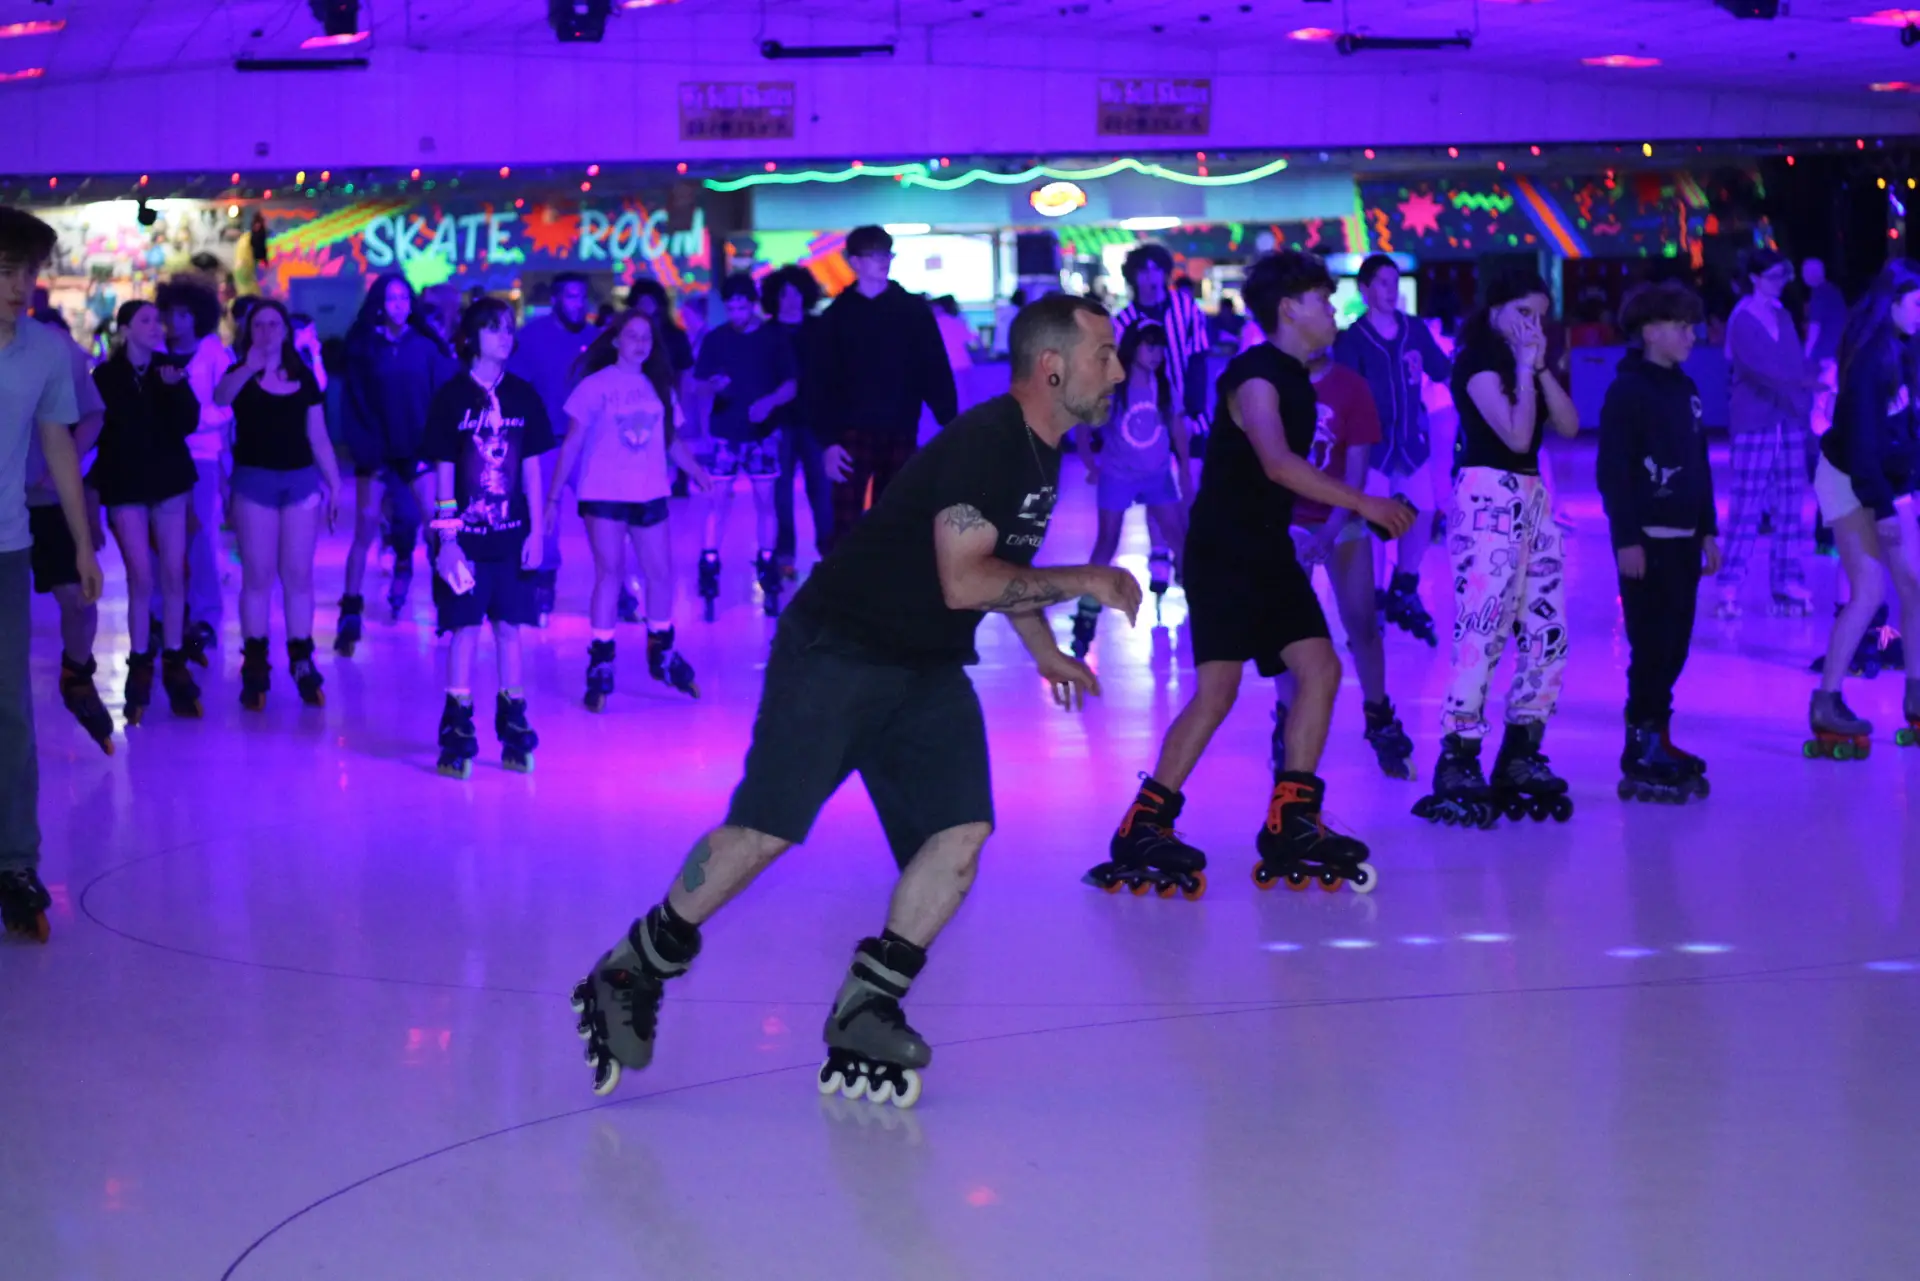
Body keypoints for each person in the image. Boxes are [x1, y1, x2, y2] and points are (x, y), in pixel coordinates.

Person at [569, 293, 1137, 1106]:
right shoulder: (987, 441)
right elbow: (965, 579)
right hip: (838, 650)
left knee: (958, 834)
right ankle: (633, 967)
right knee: (763, 833)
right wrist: (1087, 578)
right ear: (1053, 367)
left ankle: (868, 1004)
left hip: (924, 667)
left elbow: (1000, 564)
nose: (1116, 370)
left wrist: (1046, 651)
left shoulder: (1038, 449)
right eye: (1103, 355)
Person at [1090, 252, 1414, 898]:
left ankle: (1292, 818)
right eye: (1323, 300)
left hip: (1266, 548)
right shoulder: (1256, 375)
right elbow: (1277, 463)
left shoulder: (1296, 376)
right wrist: (1365, 503)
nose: (1333, 311)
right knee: (1218, 691)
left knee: (1320, 668)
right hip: (1227, 551)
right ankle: (1144, 824)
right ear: (1289, 309)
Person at [1417, 272, 1581, 828]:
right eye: (1522, 313)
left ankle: (1521, 750)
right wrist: (1524, 370)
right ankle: (1458, 755)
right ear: (1494, 312)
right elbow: (1514, 435)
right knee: (1483, 629)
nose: (1532, 325)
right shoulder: (1477, 363)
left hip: (1532, 496)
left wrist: (1538, 368)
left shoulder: (1526, 364)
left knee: (1547, 630)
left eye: (1540, 316)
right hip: (1487, 494)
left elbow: (1569, 425)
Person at [0, 206, 104, 941]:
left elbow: (60, 445)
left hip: (7, 549)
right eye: (6, 271)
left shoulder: (44, 349)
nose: (19, 286)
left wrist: (83, 544)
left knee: (11, 712)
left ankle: (15, 862)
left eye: (29, 273)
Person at [420, 299, 555, 777]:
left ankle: (513, 721)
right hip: (466, 541)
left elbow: (533, 471)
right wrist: (447, 540)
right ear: (472, 336)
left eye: (509, 329)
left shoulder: (523, 396)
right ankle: (457, 725)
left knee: (509, 627)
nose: (505, 337)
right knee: (463, 629)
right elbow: (442, 473)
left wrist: (538, 531)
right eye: (495, 328)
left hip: (512, 538)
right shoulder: (450, 398)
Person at [549, 310, 708, 710]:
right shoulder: (594, 386)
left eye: (646, 337)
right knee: (610, 573)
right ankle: (601, 658)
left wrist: (695, 469)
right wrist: (552, 498)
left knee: (661, 573)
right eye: (632, 336)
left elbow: (669, 440)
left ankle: (662, 650)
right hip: (603, 493)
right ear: (616, 340)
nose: (640, 343)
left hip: (650, 492)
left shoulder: (659, 387)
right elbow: (572, 442)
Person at [1597, 282, 1719, 801]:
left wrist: (1708, 528)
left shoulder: (1686, 388)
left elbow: (1699, 461)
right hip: (1645, 544)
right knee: (1650, 647)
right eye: (1681, 327)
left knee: (1675, 645)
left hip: (1685, 541)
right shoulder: (1627, 392)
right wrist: (1626, 539)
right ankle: (1640, 746)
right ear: (1650, 332)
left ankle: (1659, 736)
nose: (1692, 335)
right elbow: (1613, 471)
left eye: (1693, 326)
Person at [1272, 341, 1415, 780]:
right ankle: (1286, 720)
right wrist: (1286, 527)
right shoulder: (1271, 384)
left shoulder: (1351, 387)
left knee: (1362, 623)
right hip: (1286, 519)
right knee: (1288, 630)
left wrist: (1331, 529)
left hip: (1344, 518)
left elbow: (1356, 472)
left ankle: (1378, 715)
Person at [1806, 262, 1920, 757]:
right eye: (1916, 304)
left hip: (1882, 478)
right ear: (1891, 303)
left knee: (1914, 583)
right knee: (1870, 590)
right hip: (1847, 477)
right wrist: (1884, 509)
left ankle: (1916, 694)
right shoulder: (1872, 359)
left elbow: (1905, 433)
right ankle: (1827, 700)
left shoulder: (1905, 350)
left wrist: (1906, 489)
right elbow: (1861, 445)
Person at [214, 298, 342, 712]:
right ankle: (255, 662)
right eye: (259, 325)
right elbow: (220, 398)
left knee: (298, 575)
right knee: (258, 575)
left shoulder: (303, 376)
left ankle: (302, 658)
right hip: (254, 483)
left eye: (274, 325)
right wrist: (249, 367)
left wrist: (334, 483)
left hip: (300, 482)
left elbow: (318, 436)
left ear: (286, 331)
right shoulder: (239, 373)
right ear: (249, 331)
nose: (267, 332)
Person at [90, 300, 203, 724]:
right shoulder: (106, 377)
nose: (158, 327)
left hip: (169, 481)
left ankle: (174, 658)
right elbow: (97, 431)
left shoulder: (169, 369)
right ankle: (139, 662)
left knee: (173, 572)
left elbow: (189, 423)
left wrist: (174, 389)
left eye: (159, 320)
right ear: (125, 330)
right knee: (140, 575)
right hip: (125, 484)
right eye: (147, 321)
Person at [1332, 253, 1453, 646]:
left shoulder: (1414, 329)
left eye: (1395, 282)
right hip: (1372, 448)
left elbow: (1442, 370)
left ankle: (1405, 585)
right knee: (1374, 524)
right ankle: (1374, 600)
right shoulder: (1352, 339)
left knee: (1425, 511)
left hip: (1411, 443)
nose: (1391, 290)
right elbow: (1345, 395)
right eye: (1382, 283)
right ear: (1364, 290)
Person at [811, 226, 958, 552]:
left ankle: (888, 579)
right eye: (875, 254)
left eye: (886, 253)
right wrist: (828, 441)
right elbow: (821, 381)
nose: (883, 261)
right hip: (851, 431)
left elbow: (933, 367)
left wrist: (949, 419)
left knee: (897, 516)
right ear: (855, 262)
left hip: (899, 425)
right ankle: (844, 579)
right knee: (846, 520)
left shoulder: (911, 310)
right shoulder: (837, 316)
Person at [338, 274, 456, 646]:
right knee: (365, 527)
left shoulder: (425, 347)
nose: (399, 305)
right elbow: (354, 403)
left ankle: (446, 604)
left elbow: (444, 396)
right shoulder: (364, 349)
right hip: (376, 452)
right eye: (391, 299)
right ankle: (350, 610)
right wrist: (364, 448)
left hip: (418, 449)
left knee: (436, 526)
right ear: (379, 303)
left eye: (404, 298)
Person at [1067, 321, 1190, 658]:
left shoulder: (1162, 386)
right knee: (1106, 542)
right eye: (1149, 346)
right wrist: (1091, 464)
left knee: (1179, 538)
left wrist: (1185, 469)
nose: (1156, 354)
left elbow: (1177, 426)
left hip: (1157, 475)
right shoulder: (1112, 387)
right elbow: (1083, 426)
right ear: (1133, 347)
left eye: (1160, 347)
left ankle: (1199, 601)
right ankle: (1086, 617)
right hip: (1118, 475)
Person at [25, 305, 111, 754]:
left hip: (49, 499)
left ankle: (77, 673)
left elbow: (94, 414)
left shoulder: (57, 348)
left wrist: (66, 460)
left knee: (77, 598)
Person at [1715, 249, 1816, 618]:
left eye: (1782, 277)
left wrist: (1804, 399)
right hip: (1754, 421)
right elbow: (1763, 371)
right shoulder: (1742, 317)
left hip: (1787, 420)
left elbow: (1793, 362)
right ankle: (1729, 582)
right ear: (1755, 278)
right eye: (1773, 277)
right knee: (1748, 505)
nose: (1779, 284)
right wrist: (1807, 385)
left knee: (1790, 503)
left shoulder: (1782, 314)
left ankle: (1787, 579)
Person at [692, 272, 797, 618]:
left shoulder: (773, 337)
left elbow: (791, 385)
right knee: (717, 500)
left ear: (753, 305)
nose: (736, 314)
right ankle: (710, 560)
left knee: (765, 501)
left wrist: (769, 402)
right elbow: (697, 385)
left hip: (763, 433)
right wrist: (713, 386)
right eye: (731, 308)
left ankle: (767, 561)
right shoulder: (716, 339)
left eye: (742, 307)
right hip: (725, 431)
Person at [507, 273, 601, 623]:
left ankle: (615, 584)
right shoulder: (531, 337)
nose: (578, 303)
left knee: (601, 514)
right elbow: (516, 388)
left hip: (588, 443)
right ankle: (543, 586)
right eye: (571, 296)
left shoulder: (596, 339)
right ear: (556, 299)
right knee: (545, 514)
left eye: (582, 296)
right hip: (545, 442)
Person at [155, 278, 230, 660]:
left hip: (202, 456)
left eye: (184, 314)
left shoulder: (215, 353)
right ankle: (160, 615)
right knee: (158, 540)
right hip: (161, 455)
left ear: (198, 316)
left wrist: (192, 420)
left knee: (201, 537)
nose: (176, 321)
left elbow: (227, 406)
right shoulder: (155, 351)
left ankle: (205, 618)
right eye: (171, 313)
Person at [763, 266, 832, 579]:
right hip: (778, 424)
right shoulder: (766, 333)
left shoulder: (821, 329)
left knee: (822, 489)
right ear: (774, 298)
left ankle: (829, 552)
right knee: (780, 494)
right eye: (784, 294)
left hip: (815, 420)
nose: (791, 299)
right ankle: (784, 555)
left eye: (796, 292)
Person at [1112, 244, 1212, 448]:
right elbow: (1121, 374)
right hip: (1143, 416)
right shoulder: (1123, 321)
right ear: (1132, 277)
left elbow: (1197, 362)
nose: (1152, 277)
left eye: (1157, 269)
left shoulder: (1186, 308)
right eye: (1144, 271)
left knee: (1192, 464)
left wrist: (1193, 411)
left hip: (1187, 413)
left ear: (1166, 273)